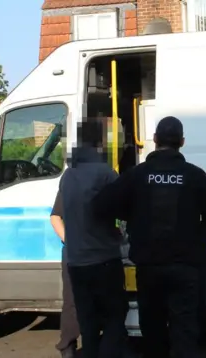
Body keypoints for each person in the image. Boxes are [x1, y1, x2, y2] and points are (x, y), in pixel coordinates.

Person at [98, 116, 206, 358]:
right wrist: (205, 241)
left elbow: (103, 204)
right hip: (186, 268)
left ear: (155, 140)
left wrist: (130, 215)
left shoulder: (138, 175)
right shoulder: (194, 175)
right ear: (182, 142)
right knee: (185, 332)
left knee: (153, 334)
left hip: (150, 269)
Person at [61, 120, 129, 358]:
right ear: (100, 142)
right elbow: (122, 211)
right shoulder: (106, 174)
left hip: (77, 263)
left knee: (88, 322)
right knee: (114, 317)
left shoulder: (67, 176)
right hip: (104, 260)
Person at [50, 189, 81, 358]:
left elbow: (55, 218)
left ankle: (68, 346)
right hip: (97, 251)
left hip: (74, 253)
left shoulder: (69, 180)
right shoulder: (106, 177)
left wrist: (69, 242)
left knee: (71, 301)